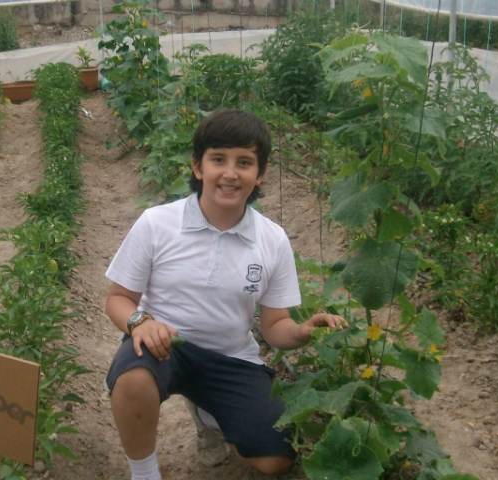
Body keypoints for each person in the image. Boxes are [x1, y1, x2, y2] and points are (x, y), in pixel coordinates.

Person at [104, 109, 347, 480]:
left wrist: (303, 331)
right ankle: (144, 472)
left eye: (245, 162)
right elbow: (118, 298)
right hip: (166, 346)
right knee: (134, 379)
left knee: (277, 458)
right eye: (218, 159)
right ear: (198, 167)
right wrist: (140, 322)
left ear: (260, 173)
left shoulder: (271, 240)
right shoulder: (157, 224)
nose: (230, 173)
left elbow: (275, 325)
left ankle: (209, 412)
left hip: (231, 358)